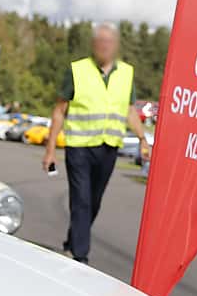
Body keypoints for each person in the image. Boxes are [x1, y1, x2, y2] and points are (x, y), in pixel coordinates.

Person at [41, 22, 151, 264]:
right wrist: (50, 151)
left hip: (109, 147)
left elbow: (130, 110)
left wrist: (143, 139)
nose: (104, 46)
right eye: (100, 41)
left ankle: (73, 242)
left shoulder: (126, 73)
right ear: (93, 44)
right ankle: (80, 256)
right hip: (79, 146)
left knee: (94, 202)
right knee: (81, 199)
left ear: (116, 45)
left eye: (109, 42)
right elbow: (59, 111)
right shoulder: (77, 70)